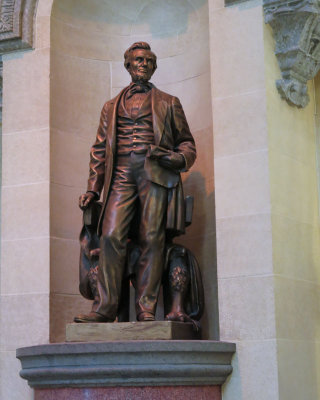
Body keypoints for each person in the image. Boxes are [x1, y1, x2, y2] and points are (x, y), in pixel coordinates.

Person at [74, 42, 196, 323]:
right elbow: (100, 150)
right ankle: (105, 307)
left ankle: (146, 309)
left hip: (155, 175)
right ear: (127, 65)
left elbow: (188, 144)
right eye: (139, 60)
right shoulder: (110, 107)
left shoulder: (169, 102)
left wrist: (176, 159)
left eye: (150, 61)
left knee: (151, 238)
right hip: (121, 175)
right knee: (110, 235)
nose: (144, 65)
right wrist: (93, 188)